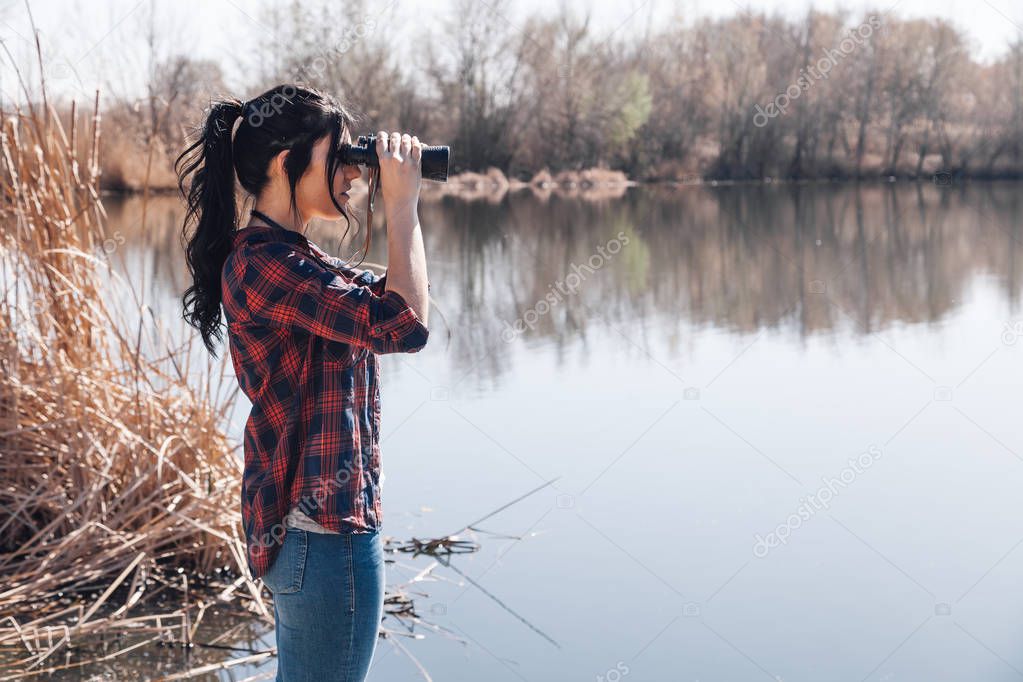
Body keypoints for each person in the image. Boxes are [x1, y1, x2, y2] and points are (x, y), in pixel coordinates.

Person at [175, 84, 430, 682]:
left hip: (324, 534)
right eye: (338, 156)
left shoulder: (298, 261)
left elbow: (394, 303)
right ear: (285, 163)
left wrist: (401, 198)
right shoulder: (268, 265)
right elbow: (405, 325)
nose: (352, 173)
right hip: (323, 537)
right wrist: (403, 208)